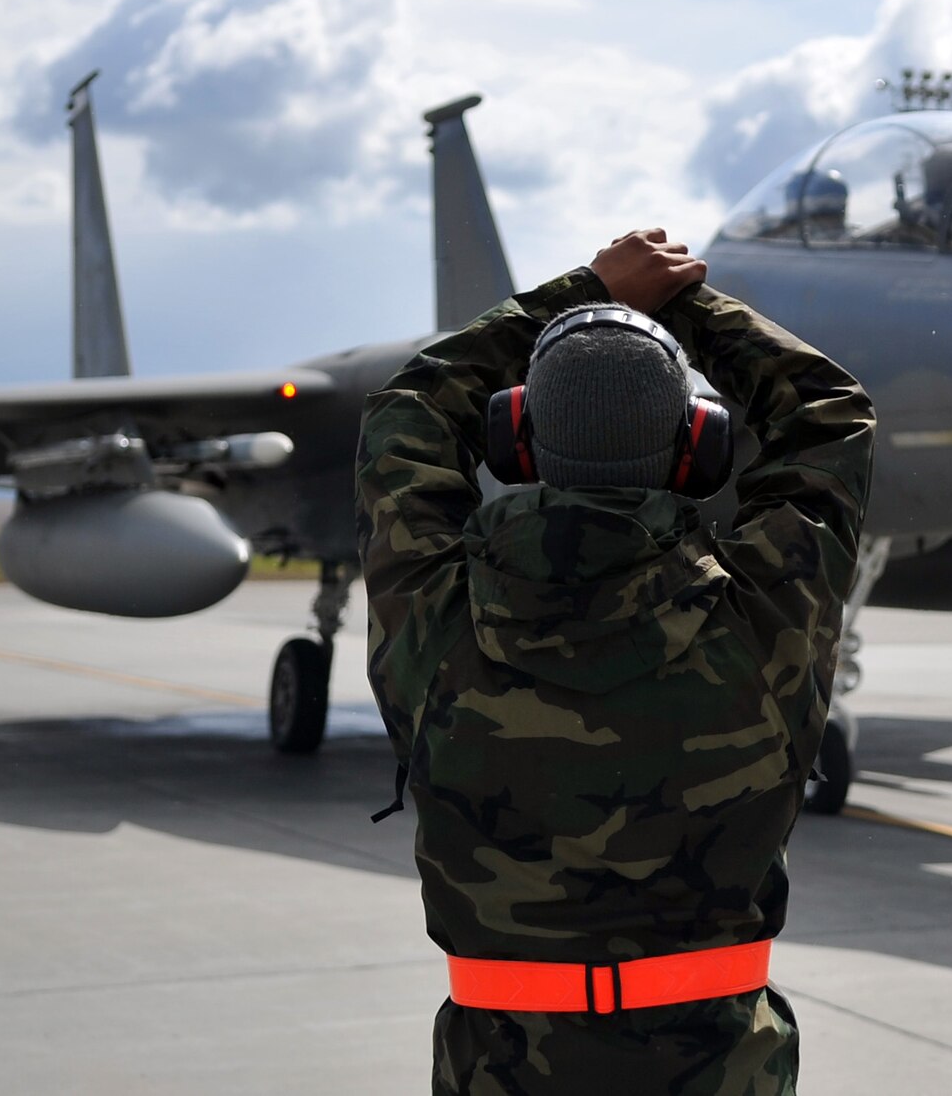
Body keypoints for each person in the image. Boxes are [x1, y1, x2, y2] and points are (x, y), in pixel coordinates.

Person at [357, 227, 875, 1095]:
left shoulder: (432, 617)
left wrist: (587, 293)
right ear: (696, 449)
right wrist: (685, 306)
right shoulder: (765, 618)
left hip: (499, 1071)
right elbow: (826, 411)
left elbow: (406, 411)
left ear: (516, 439)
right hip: (720, 1071)